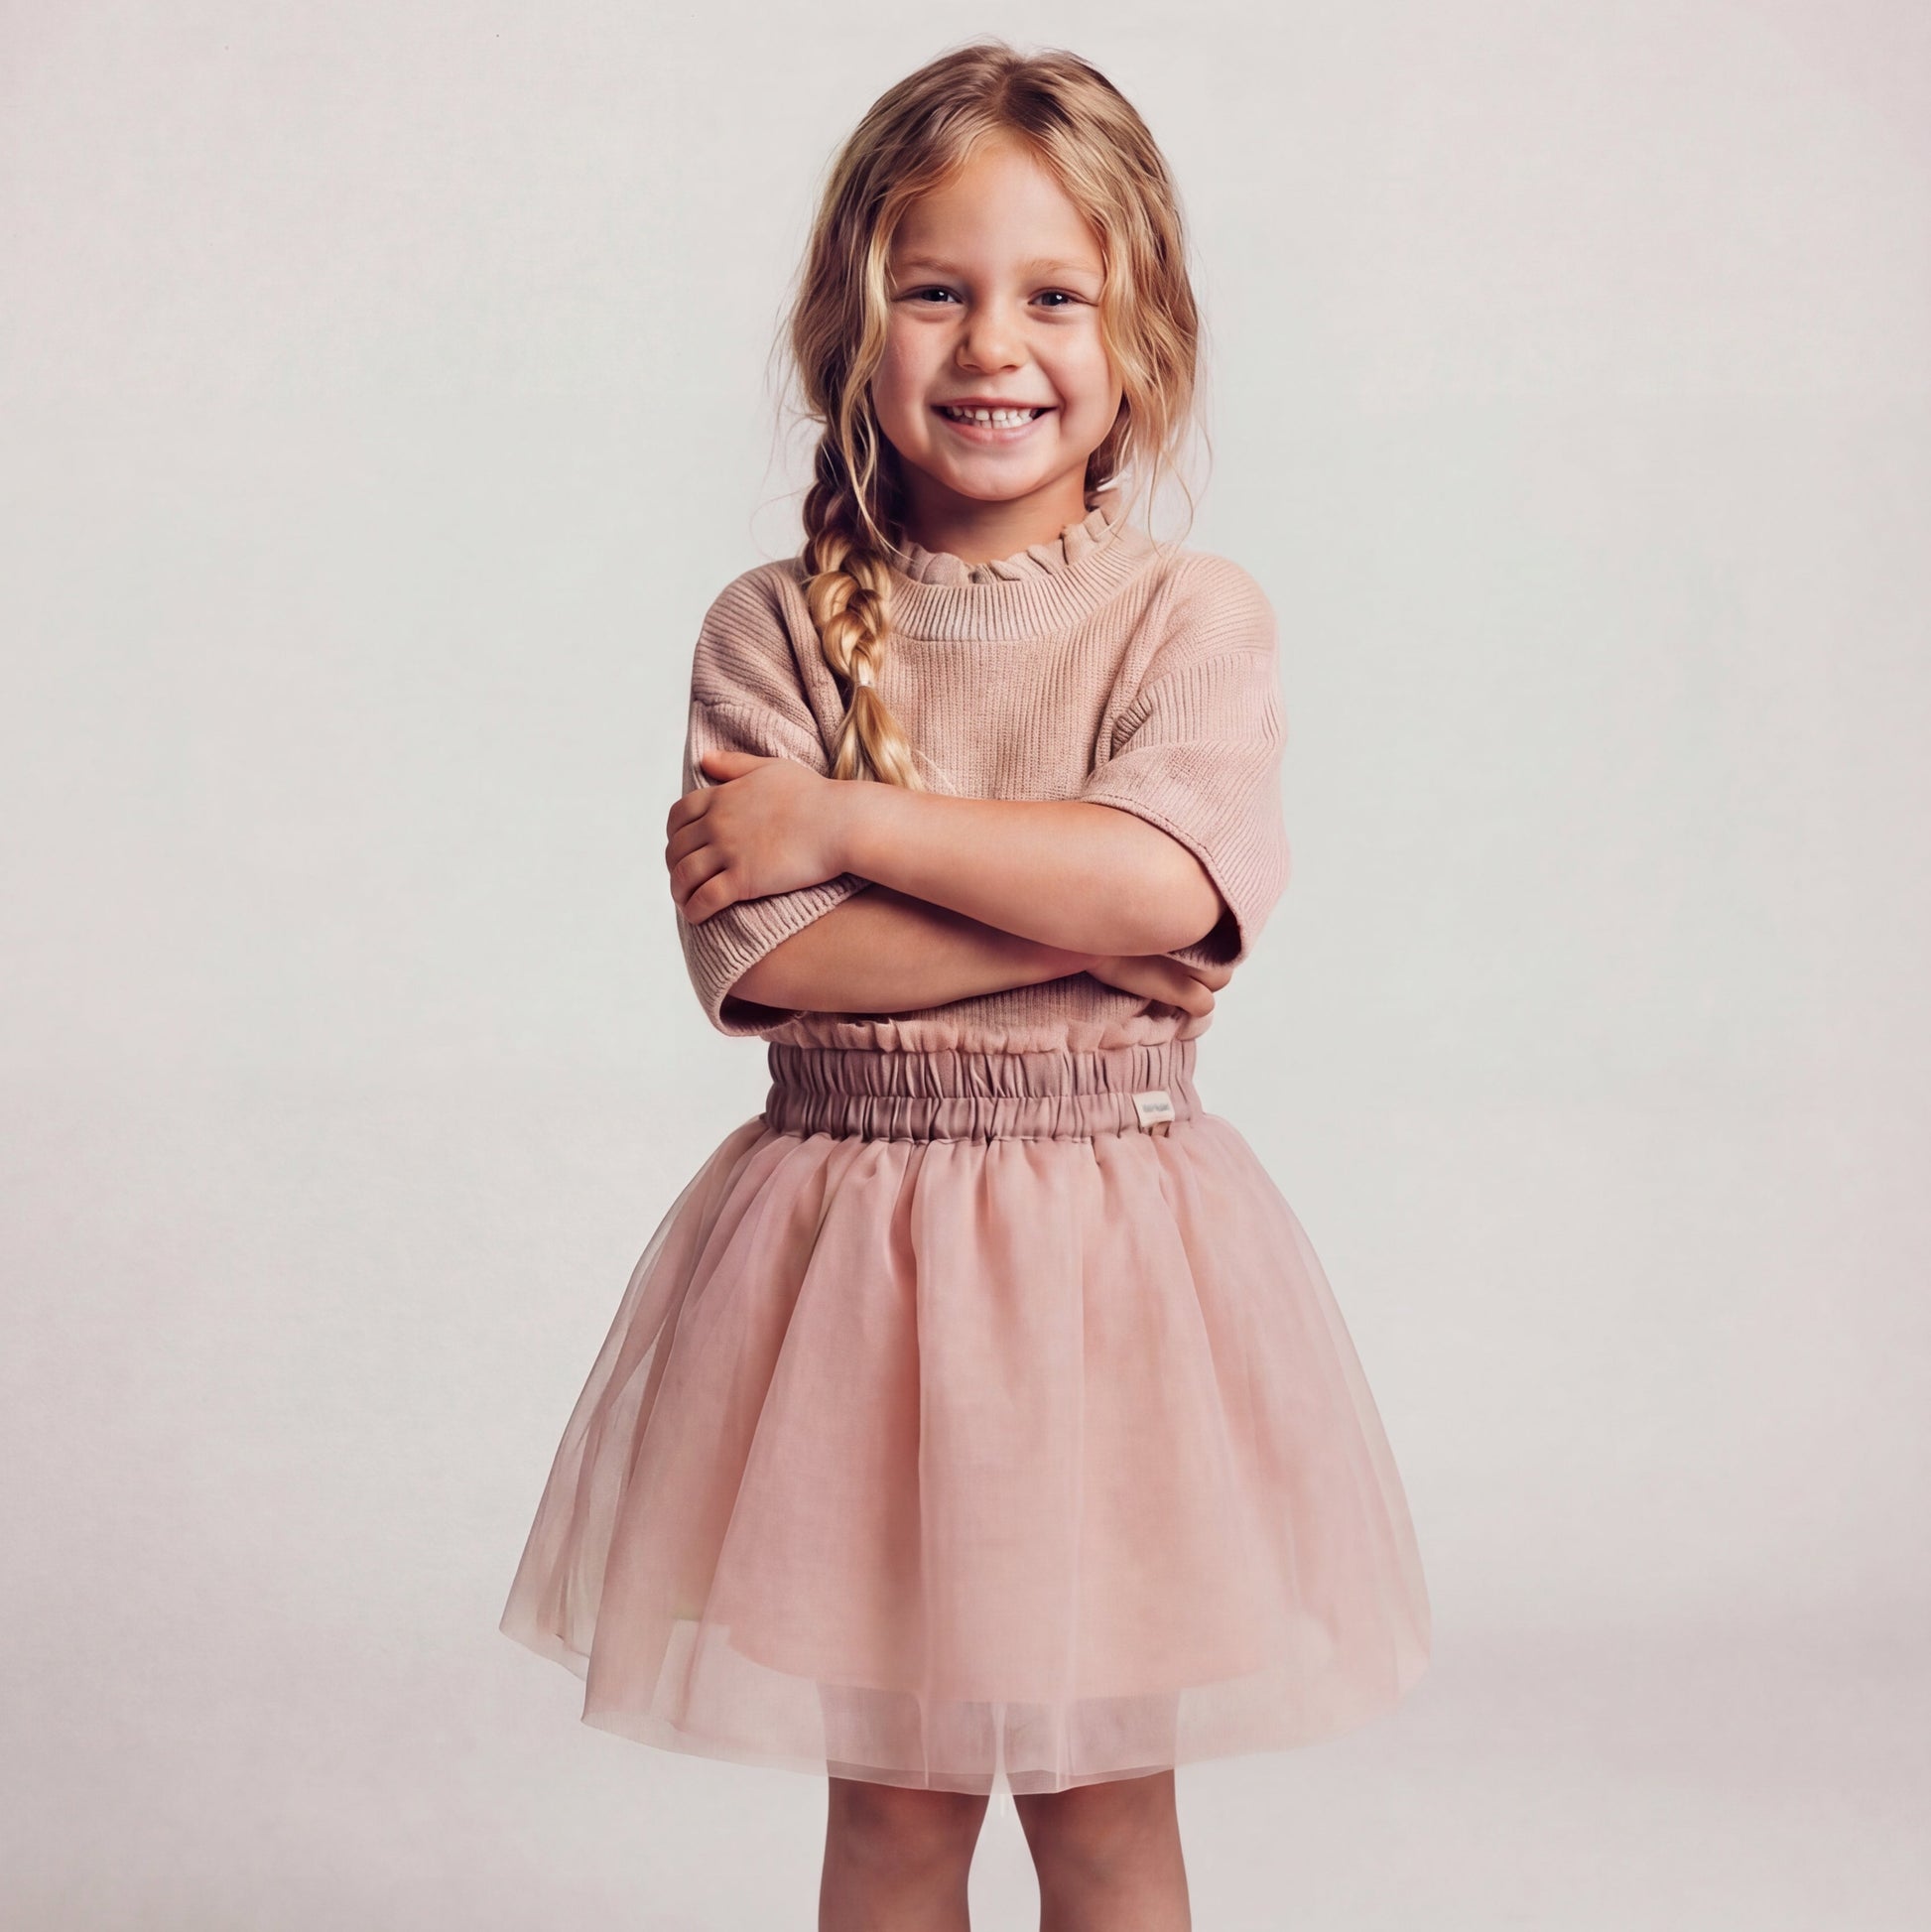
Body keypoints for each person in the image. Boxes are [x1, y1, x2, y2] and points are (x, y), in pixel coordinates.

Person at [500, 39, 1431, 1931]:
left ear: (1137, 332)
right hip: (850, 1282)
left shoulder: (1189, 616)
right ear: (853, 328)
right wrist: (1098, 911)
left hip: (1116, 1277)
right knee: (897, 1818)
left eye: (1051, 294)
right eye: (936, 290)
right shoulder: (769, 629)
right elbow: (774, 959)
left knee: (1101, 1814)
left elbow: (1172, 878)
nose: (992, 343)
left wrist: (850, 819)